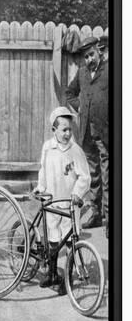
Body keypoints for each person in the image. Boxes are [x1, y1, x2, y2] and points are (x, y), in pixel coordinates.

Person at [33, 107, 91, 295]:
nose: (67, 133)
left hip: (69, 204)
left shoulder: (75, 151)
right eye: (63, 129)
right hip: (52, 201)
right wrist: (41, 188)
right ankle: (51, 274)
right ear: (54, 130)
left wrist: (77, 193)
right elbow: (43, 169)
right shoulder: (48, 148)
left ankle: (68, 278)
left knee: (69, 241)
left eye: (70, 130)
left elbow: (85, 177)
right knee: (53, 239)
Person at [65, 36, 109, 236]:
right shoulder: (82, 73)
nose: (89, 60)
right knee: (93, 175)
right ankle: (96, 213)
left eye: (91, 55)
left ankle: (110, 218)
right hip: (86, 133)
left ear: (98, 52)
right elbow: (69, 93)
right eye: (86, 57)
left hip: (105, 131)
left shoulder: (110, 70)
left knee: (108, 174)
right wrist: (79, 107)